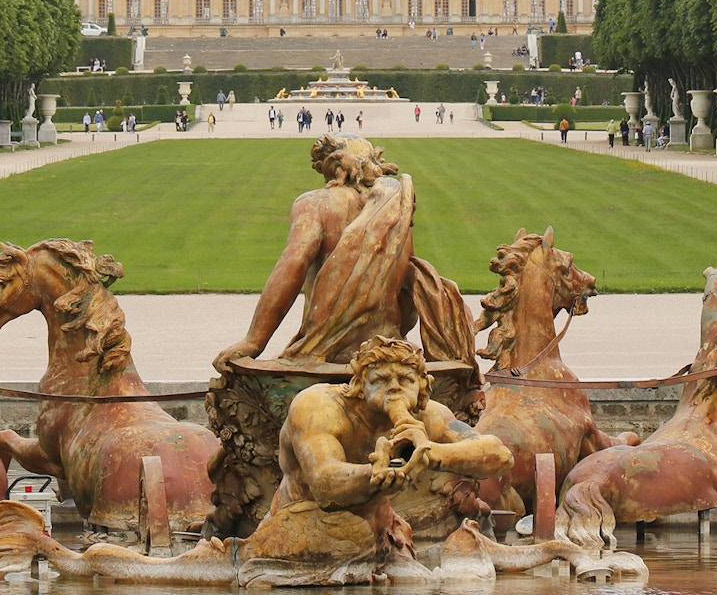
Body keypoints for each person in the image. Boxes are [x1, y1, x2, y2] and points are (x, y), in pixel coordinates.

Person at [255, 336, 511, 580]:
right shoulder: (319, 407)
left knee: (424, 583)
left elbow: (499, 455)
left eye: (405, 379)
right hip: (305, 534)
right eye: (381, 379)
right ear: (359, 383)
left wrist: (432, 453)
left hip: (380, 535)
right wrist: (373, 475)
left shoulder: (427, 416)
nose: (395, 387)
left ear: (422, 385)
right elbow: (324, 483)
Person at [213, 135, 475, 369]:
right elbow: (407, 297)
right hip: (390, 354)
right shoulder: (395, 210)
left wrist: (254, 340)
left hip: (331, 356)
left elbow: (294, 263)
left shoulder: (315, 203)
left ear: (333, 168)